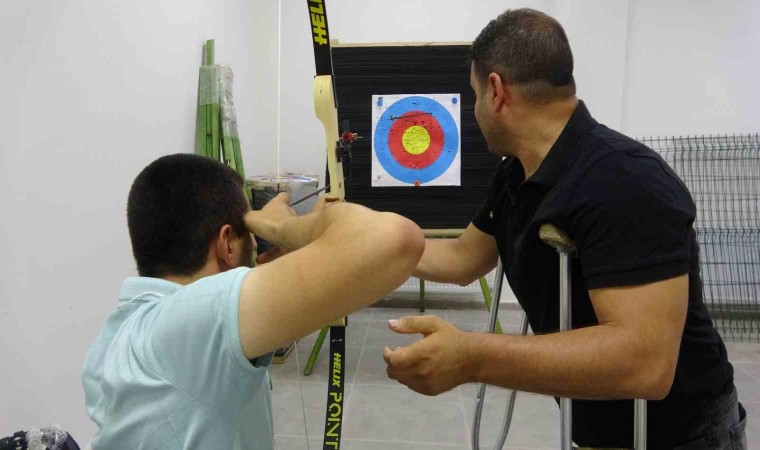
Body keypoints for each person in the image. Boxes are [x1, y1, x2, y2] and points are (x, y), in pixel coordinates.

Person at [382, 8, 747, 449]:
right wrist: (370, 246)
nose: (475, 108)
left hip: (681, 438)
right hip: (597, 426)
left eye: (474, 93)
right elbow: (463, 259)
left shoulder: (626, 180)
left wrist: (472, 357)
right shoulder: (515, 175)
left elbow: (644, 363)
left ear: (496, 91)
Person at [82, 153, 424, 449]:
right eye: (252, 237)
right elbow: (396, 239)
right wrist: (283, 225)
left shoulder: (121, 335)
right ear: (227, 244)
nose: (258, 247)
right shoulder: (192, 323)